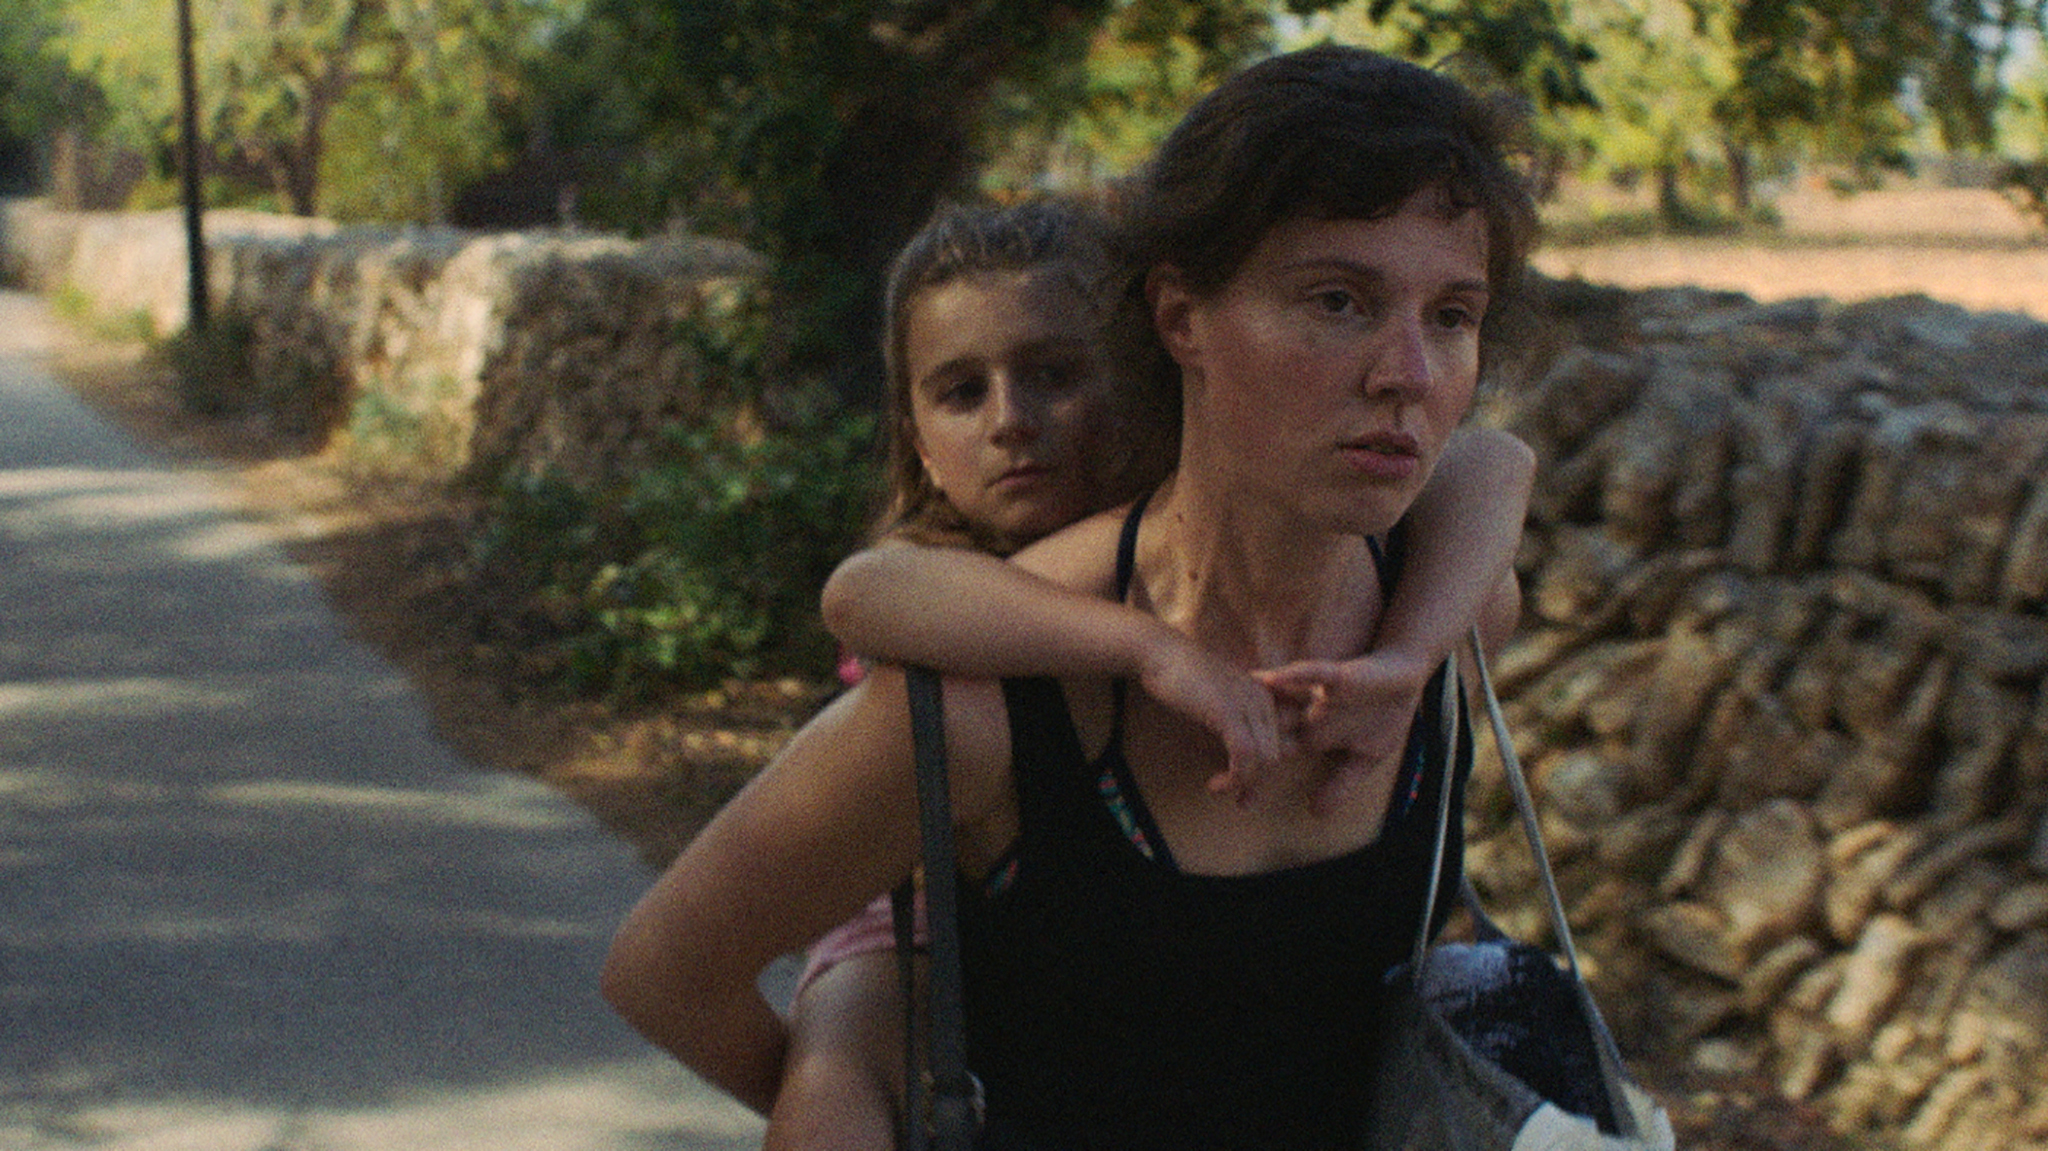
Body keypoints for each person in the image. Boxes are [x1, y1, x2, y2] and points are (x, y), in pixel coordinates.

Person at [604, 44, 1539, 1148]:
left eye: (1452, 315)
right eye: (1338, 301)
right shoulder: (986, 710)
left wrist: (1405, 661)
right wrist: (867, 1103)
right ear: (1180, 317)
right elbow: (668, 971)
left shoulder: (1448, 625)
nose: (1408, 374)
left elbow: (1495, 463)